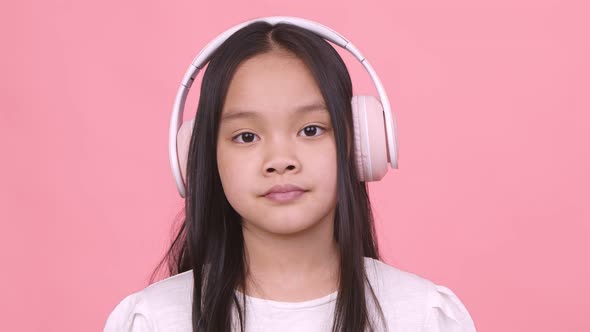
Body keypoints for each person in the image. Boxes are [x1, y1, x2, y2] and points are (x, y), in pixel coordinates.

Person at [104, 20, 477, 331]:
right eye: (246, 136)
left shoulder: (425, 317)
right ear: (203, 158)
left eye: (311, 130)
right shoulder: (152, 320)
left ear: (359, 145)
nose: (280, 160)